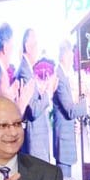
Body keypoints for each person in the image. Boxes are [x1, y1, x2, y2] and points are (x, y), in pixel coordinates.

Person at [17, 28, 56, 163]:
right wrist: (47, 94)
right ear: (27, 46)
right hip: (35, 142)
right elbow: (33, 110)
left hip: (38, 141)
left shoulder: (28, 70)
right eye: (36, 45)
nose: (38, 50)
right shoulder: (24, 71)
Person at [52, 40, 89, 180]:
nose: (73, 58)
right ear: (64, 55)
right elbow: (70, 111)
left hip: (67, 137)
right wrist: (88, 101)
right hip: (63, 139)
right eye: (71, 54)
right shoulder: (60, 78)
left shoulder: (64, 76)